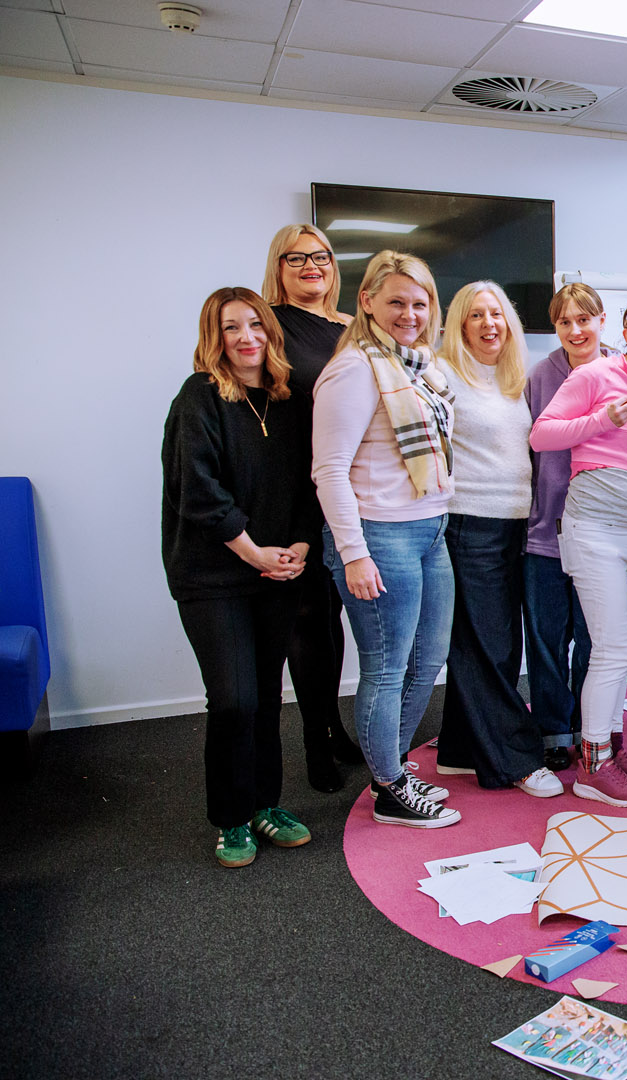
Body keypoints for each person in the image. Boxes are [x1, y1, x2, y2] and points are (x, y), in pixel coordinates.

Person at [161, 287, 317, 866]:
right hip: (213, 574)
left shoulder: (293, 398)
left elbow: (314, 479)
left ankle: (264, 804)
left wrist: (299, 544)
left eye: (255, 324)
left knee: (266, 697)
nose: (246, 337)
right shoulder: (199, 398)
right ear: (215, 337)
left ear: (271, 332)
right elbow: (198, 492)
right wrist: (254, 552)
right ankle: (230, 817)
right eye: (232, 328)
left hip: (278, 568)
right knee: (232, 699)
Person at [312, 251, 459, 829]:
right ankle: (390, 788)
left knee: (427, 660)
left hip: (430, 528)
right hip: (379, 536)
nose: (410, 313)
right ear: (367, 301)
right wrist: (353, 552)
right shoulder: (354, 369)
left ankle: (388, 766)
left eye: (420, 302)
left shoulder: (423, 367)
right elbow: (329, 470)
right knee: (387, 666)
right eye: (396, 301)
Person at [530, 293, 627, 807]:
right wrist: (603, 421)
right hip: (593, 524)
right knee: (611, 648)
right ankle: (593, 766)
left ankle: (610, 748)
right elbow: (541, 436)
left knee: (624, 647)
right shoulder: (593, 375)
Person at [433, 281, 560, 798]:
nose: (490, 324)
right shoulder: (442, 374)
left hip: (515, 525)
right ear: (459, 324)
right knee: (489, 644)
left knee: (490, 643)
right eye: (477, 316)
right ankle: (515, 760)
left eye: (497, 315)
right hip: (471, 523)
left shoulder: (512, 378)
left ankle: (462, 749)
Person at [260, 223, 362, 792]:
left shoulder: (352, 328)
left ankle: (331, 727)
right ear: (278, 266)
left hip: (352, 488)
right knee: (306, 620)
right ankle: (313, 743)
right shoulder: (268, 326)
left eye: (319, 257)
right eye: (295, 258)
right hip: (297, 489)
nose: (310, 267)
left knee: (335, 620)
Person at [523, 283, 606, 775]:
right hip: (545, 534)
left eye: (584, 319)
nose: (575, 330)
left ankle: (591, 726)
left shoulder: (624, 370)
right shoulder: (541, 375)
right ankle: (554, 731)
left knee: (595, 639)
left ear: (601, 319)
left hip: (602, 531)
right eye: (564, 322)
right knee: (548, 640)